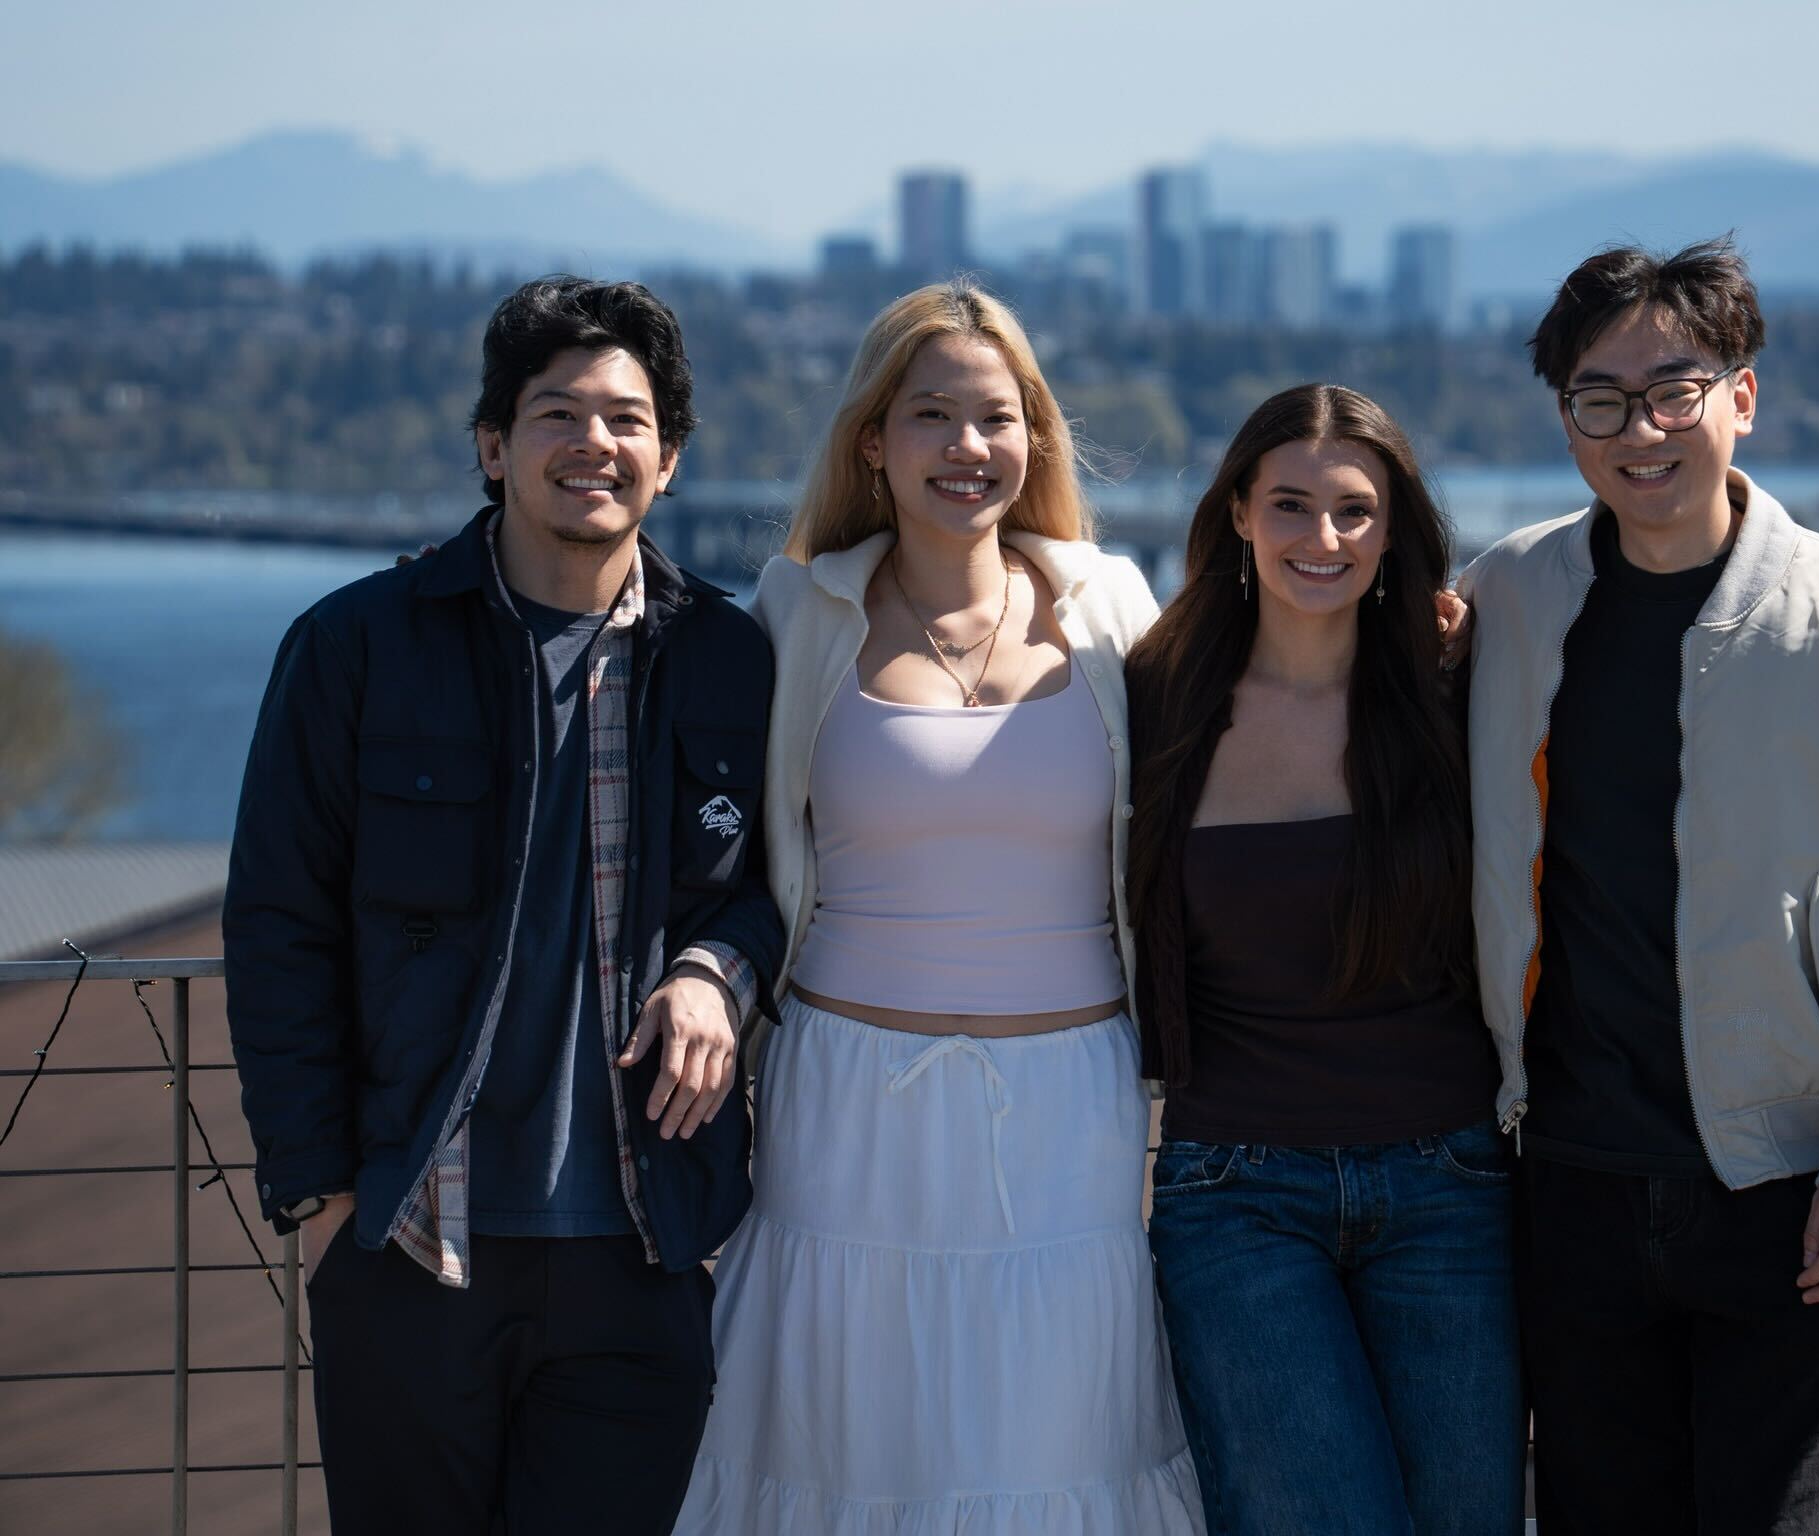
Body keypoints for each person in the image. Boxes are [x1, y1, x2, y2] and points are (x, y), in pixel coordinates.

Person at [1459, 236, 1819, 1534]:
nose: (1640, 429)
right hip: (1570, 1190)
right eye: (1599, 398)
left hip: (1794, 1200)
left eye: (1675, 388)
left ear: (1743, 395)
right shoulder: (1504, 604)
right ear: (1563, 415)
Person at [222, 276, 784, 1535]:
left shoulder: (732, 661)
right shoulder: (358, 646)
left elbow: (778, 889)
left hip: (643, 1247)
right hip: (413, 1242)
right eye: (557, 413)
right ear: (492, 444)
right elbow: (278, 925)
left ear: (672, 456)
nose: (597, 443)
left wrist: (717, 972)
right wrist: (321, 1197)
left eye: (630, 420)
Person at [672, 282, 1203, 1534]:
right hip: (842, 1104)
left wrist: (1431, 638)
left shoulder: (1111, 606)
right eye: (933, 417)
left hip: (1070, 1109)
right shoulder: (798, 614)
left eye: (998, 418)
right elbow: (723, 843)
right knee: (849, 1447)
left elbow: (1262, 726)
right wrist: (705, 970)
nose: (969, 448)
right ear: (874, 439)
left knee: (1053, 1442)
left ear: (1036, 438)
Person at [1124, 383, 1523, 1534]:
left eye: (1357, 511)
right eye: (1292, 505)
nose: (1325, 538)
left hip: (1451, 1186)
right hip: (1233, 1196)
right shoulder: (1157, 698)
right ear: (1239, 510)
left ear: (1394, 531)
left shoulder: (1457, 688)